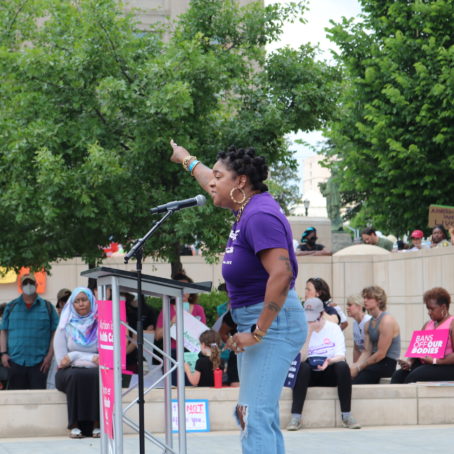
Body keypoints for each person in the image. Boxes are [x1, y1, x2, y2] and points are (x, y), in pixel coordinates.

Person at [170, 141, 306, 454]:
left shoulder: (260, 215)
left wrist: (258, 332)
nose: (212, 182)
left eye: (220, 176)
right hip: (257, 319)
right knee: (258, 414)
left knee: (253, 414)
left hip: (273, 325)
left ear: (240, 181)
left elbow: (282, 274)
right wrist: (186, 159)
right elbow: (208, 179)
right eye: (212, 176)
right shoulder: (245, 207)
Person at [287, 297, 360, 431]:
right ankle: (295, 417)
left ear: (321, 314)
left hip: (328, 369)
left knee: (343, 366)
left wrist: (329, 361)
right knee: (302, 367)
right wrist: (308, 333)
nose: (310, 320)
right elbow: (300, 358)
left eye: (313, 317)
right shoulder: (302, 329)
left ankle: (347, 416)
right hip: (309, 373)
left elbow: (341, 355)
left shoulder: (333, 329)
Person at [54, 287, 100, 438]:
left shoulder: (100, 324)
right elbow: (62, 361)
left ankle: (97, 425)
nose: (81, 304)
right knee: (76, 376)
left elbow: (103, 359)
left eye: (84, 300)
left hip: (94, 368)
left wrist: (74, 356)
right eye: (77, 301)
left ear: (91, 301)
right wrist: (84, 356)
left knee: (97, 376)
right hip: (67, 371)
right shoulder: (65, 325)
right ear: (72, 305)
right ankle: (74, 426)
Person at [0, 273, 59, 389]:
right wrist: (3, 354)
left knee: (38, 401)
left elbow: (55, 333)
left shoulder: (48, 307)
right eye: (25, 283)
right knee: (16, 401)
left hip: (40, 364)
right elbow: (3, 331)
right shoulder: (11, 307)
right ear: (20, 286)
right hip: (15, 362)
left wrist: (49, 356)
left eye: (31, 283)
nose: (28, 285)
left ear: (36, 285)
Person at [391, 287, 454, 383]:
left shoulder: (451, 323)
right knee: (398, 375)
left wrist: (436, 361)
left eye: (432, 309)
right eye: (428, 309)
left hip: (446, 366)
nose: (429, 312)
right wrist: (409, 362)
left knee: (415, 376)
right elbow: (417, 349)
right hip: (426, 364)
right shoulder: (427, 324)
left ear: (444, 307)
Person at [350, 286, 401, 384]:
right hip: (374, 361)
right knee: (348, 377)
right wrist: (356, 365)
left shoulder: (387, 321)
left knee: (357, 381)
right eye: (364, 297)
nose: (365, 300)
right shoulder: (368, 323)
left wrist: (360, 367)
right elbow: (366, 351)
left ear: (378, 301)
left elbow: (381, 353)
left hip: (387, 363)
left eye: (368, 298)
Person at [346, 294, 371, 362]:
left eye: (350, 305)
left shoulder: (369, 321)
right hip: (363, 362)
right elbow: (356, 349)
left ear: (359, 307)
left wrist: (359, 367)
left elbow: (370, 350)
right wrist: (354, 367)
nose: (347, 308)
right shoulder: (355, 323)